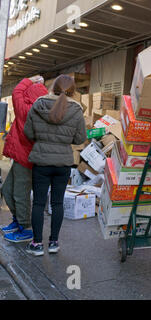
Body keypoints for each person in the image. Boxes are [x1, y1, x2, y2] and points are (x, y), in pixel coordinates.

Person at [23, 75, 87, 256]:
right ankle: (53, 243)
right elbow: (80, 138)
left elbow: (28, 132)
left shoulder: (38, 105)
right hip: (63, 163)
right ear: (73, 91)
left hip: (41, 162)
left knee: (38, 202)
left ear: (53, 87)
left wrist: (42, 138)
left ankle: (36, 244)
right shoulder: (76, 109)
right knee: (57, 203)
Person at [1, 76, 48, 242]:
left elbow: (16, 91)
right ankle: (17, 221)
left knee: (20, 194)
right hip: (21, 157)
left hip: (26, 159)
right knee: (7, 190)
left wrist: (30, 79)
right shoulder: (38, 109)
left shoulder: (27, 110)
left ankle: (25, 228)